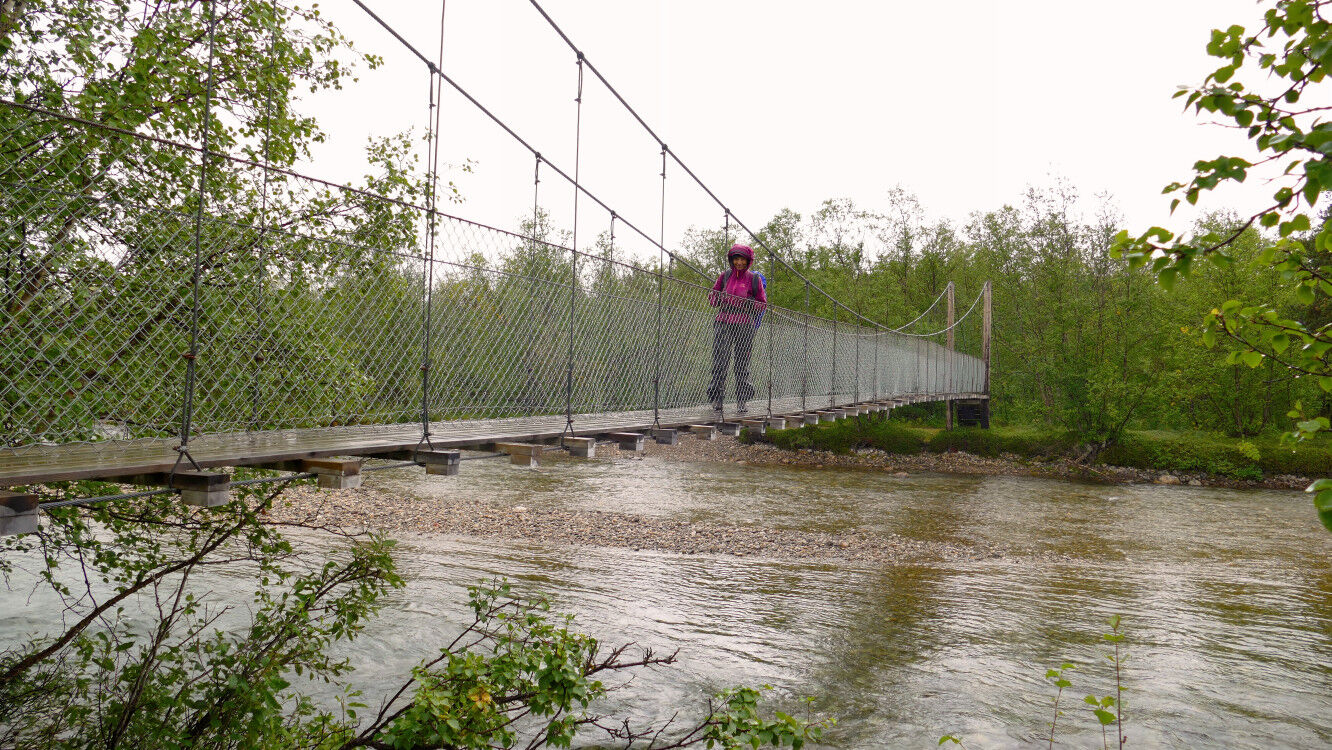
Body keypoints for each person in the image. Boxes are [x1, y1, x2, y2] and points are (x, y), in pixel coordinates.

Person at [707, 244, 767, 413]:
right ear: (731, 260)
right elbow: (713, 299)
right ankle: (717, 399)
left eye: (742, 259)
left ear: (748, 261)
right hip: (723, 321)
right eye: (736, 259)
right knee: (720, 361)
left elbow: (762, 303)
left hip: (744, 324)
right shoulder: (724, 276)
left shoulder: (754, 279)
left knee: (742, 363)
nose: (739, 262)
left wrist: (749, 304)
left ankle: (742, 401)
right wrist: (716, 297)